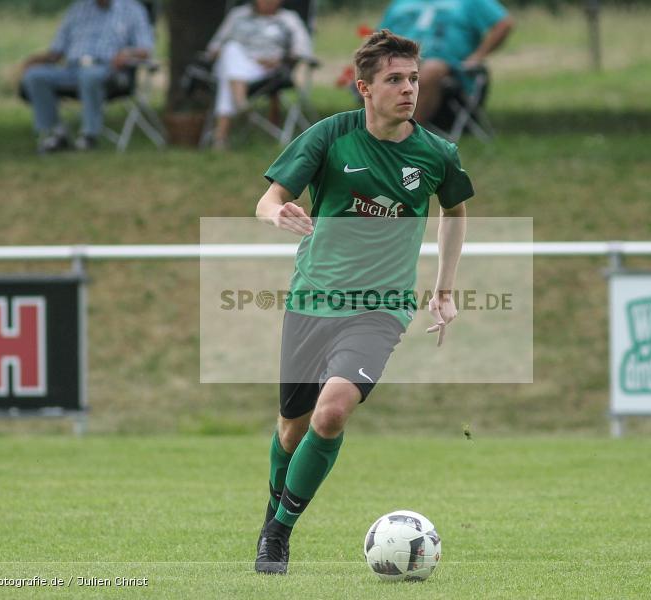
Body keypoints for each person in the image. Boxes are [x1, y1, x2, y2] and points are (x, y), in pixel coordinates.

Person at [251, 29, 473, 575]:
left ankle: (278, 533)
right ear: (364, 88)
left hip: (381, 308)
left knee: (332, 413)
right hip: (312, 300)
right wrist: (276, 213)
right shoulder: (330, 136)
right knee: (291, 429)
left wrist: (443, 290)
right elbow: (270, 197)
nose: (408, 89)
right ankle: (272, 511)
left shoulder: (436, 153)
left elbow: (456, 212)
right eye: (394, 79)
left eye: (414, 79)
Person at [20, 0, 154, 153]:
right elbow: (56, 51)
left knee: (90, 76)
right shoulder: (78, 8)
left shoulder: (133, 10)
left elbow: (146, 49)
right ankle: (55, 133)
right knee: (35, 76)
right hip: (72, 69)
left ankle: (89, 135)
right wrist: (35, 61)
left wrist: (127, 53)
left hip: (108, 70)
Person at [378, 0, 513, 125]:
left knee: (431, 68)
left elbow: (504, 23)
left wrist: (477, 56)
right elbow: (378, 36)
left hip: (450, 68)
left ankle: (405, 135)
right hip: (401, 60)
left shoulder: (470, 2)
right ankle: (377, 132)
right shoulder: (400, 3)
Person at [205, 0, 312, 149]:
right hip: (235, 62)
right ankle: (239, 103)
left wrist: (281, 60)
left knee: (228, 75)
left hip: (266, 72)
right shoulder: (237, 15)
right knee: (231, 49)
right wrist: (219, 53)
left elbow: (303, 50)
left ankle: (221, 138)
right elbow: (214, 47)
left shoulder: (289, 19)